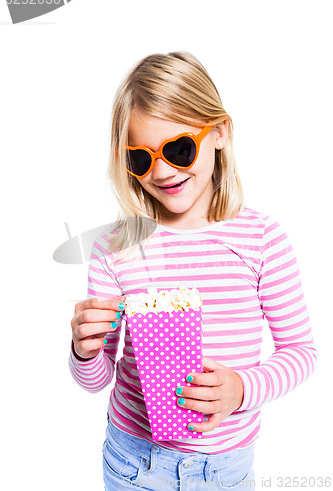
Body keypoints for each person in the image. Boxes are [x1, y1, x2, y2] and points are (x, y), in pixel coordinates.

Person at [69, 51, 317, 490]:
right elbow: (97, 379)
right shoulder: (114, 246)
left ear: (218, 133)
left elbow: (301, 352)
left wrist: (241, 389)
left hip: (227, 468)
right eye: (141, 159)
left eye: (179, 149)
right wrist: (84, 351)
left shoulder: (261, 238)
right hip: (133, 461)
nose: (161, 172)